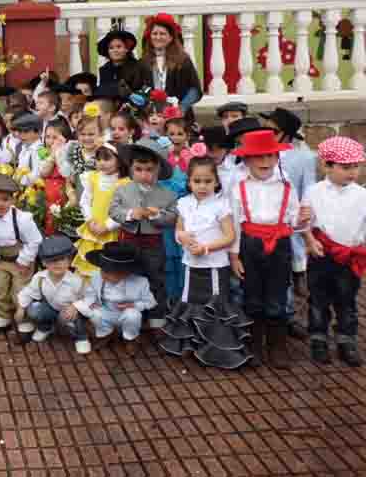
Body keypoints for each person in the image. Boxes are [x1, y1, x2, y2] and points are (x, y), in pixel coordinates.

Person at [160, 157, 250, 369]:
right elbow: (179, 230)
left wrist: (206, 248)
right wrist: (181, 237)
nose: (202, 186)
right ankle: (191, 344)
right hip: (190, 264)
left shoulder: (221, 205)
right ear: (189, 182)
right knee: (189, 301)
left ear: (216, 182)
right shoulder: (184, 203)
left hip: (215, 267)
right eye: (197, 181)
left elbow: (229, 236)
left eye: (208, 181)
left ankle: (218, 350)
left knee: (214, 306)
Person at [228, 130, 302, 368]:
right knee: (252, 295)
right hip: (250, 244)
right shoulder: (238, 187)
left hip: (279, 245)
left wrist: (304, 219)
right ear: (247, 160)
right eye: (258, 157)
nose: (265, 162)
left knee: (278, 294)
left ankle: (277, 346)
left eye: (270, 156)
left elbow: (295, 220)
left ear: (277, 157)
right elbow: (235, 224)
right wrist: (234, 255)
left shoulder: (286, 186)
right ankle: (254, 344)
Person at [300, 136, 366, 367]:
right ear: (327, 166)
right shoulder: (313, 192)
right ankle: (318, 339)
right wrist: (308, 240)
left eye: (356, 166)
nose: (352, 172)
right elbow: (304, 221)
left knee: (347, 300)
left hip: (349, 256)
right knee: (318, 300)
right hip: (322, 254)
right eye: (346, 167)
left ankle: (346, 340)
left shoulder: (362, 195)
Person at [108, 142, 177, 328]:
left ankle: (156, 315)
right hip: (128, 242)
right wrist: (130, 214)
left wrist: (157, 215)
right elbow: (113, 211)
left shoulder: (168, 194)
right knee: (128, 277)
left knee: (155, 278)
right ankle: (129, 316)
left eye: (149, 170)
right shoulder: (122, 189)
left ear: (158, 170)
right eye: (138, 169)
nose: (144, 175)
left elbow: (172, 217)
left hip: (153, 244)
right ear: (130, 169)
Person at [260, 107, 317, 303]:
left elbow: (308, 188)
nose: (268, 135)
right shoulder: (259, 153)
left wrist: (304, 212)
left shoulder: (304, 157)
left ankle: (290, 312)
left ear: (287, 135)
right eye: (266, 129)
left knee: (289, 267)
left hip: (289, 222)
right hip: (262, 221)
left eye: (273, 131)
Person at [0, 174, 42, 340]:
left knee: (20, 291)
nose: (0, 204)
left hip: (21, 259)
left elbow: (35, 241)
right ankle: (2, 319)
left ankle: (25, 323)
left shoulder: (22, 219)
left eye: (5, 199)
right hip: (1, 260)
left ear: (12, 200)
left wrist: (24, 260)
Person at [75, 242, 157, 355]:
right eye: (102, 269)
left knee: (133, 315)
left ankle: (130, 338)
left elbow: (151, 302)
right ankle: (106, 333)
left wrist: (134, 305)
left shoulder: (140, 282)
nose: (103, 274)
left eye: (109, 272)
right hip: (106, 311)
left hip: (125, 315)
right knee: (93, 312)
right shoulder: (97, 276)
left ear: (125, 273)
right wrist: (91, 302)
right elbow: (90, 294)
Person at [15, 235, 90, 353]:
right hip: (51, 307)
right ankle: (46, 327)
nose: (57, 264)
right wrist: (21, 307)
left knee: (70, 317)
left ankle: (81, 337)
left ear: (69, 261)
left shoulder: (76, 281)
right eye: (52, 260)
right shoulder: (39, 278)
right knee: (34, 309)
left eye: (62, 259)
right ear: (44, 263)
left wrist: (76, 306)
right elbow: (27, 292)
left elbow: (89, 298)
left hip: (68, 311)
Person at [72, 143, 131, 278]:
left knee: (108, 266)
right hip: (92, 229)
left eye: (107, 159)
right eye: (99, 159)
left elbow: (125, 209)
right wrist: (90, 221)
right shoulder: (93, 177)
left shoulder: (125, 182)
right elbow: (85, 201)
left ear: (119, 160)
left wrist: (107, 226)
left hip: (113, 231)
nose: (102, 163)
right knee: (88, 264)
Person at [139, 13, 202, 113]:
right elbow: (139, 89)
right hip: (152, 115)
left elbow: (195, 90)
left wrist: (182, 107)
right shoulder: (144, 62)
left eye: (162, 34)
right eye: (155, 34)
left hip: (177, 116)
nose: (158, 37)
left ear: (171, 37)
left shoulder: (183, 60)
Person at [59, 110, 103, 203]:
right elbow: (68, 179)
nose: (86, 138)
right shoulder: (73, 150)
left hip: (98, 201)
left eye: (91, 134)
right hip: (77, 199)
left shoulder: (104, 153)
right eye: (82, 134)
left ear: (100, 134)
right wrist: (71, 193)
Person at [39, 119, 74, 238]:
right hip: (47, 197)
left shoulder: (70, 154)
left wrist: (60, 154)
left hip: (62, 196)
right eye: (47, 137)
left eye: (55, 137)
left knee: (59, 227)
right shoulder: (44, 153)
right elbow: (44, 173)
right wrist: (53, 155)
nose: (50, 141)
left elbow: (67, 174)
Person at [10, 112, 43, 184]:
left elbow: (40, 173)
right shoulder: (24, 148)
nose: (21, 135)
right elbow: (20, 168)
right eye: (19, 131)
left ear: (38, 132)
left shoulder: (41, 150)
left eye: (26, 131)